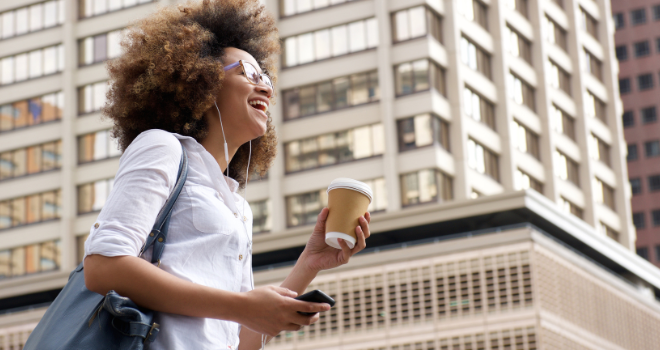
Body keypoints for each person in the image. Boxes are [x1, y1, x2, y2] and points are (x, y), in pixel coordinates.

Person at [82, 0, 372, 349]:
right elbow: (102, 266)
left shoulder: (237, 208)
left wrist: (310, 263)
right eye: (248, 74)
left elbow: (241, 340)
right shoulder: (162, 148)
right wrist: (242, 306)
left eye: (265, 78)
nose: (265, 87)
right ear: (201, 82)